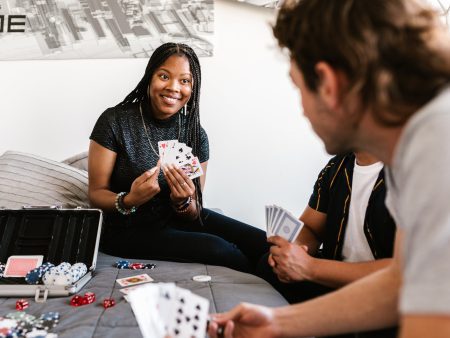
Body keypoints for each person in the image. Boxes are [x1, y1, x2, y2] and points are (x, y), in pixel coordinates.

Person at [208, 0, 450, 337]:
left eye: (299, 89)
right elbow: (401, 282)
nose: (303, 111)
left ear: (327, 83)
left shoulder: (438, 148)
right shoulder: (410, 143)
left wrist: (310, 271)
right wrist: (278, 323)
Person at [88, 42, 268, 273]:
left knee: (265, 243)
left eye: (184, 81)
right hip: (127, 230)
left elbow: (194, 211)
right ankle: (260, 284)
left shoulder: (195, 133)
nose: (173, 87)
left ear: (193, 88)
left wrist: (182, 201)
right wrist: (130, 199)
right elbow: (96, 194)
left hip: (176, 219)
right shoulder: (114, 121)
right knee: (222, 250)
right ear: (150, 78)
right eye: (164, 76)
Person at [257, 151, 397, 338]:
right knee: (267, 264)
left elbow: (402, 274)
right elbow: (312, 229)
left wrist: (309, 266)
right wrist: (295, 249)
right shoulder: (337, 166)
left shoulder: (413, 175)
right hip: (334, 279)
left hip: (385, 297)